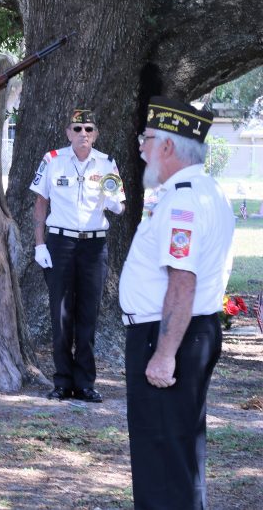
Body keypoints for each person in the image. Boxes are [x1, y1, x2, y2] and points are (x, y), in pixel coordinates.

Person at [120, 97, 234, 510]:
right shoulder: (206, 191)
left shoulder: (182, 201)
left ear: (167, 147)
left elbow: (182, 283)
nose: (140, 147)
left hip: (168, 336)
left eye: (146, 139)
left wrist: (164, 354)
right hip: (192, 330)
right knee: (181, 454)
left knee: (160, 456)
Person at [30, 108, 125, 402]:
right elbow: (40, 203)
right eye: (77, 128)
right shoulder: (53, 160)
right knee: (60, 312)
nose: (83, 133)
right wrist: (39, 244)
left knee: (88, 313)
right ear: (67, 133)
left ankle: (85, 382)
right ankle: (62, 381)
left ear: (95, 134)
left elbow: (120, 205)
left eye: (88, 128)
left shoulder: (107, 163)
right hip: (60, 243)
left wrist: (112, 200)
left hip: (94, 246)